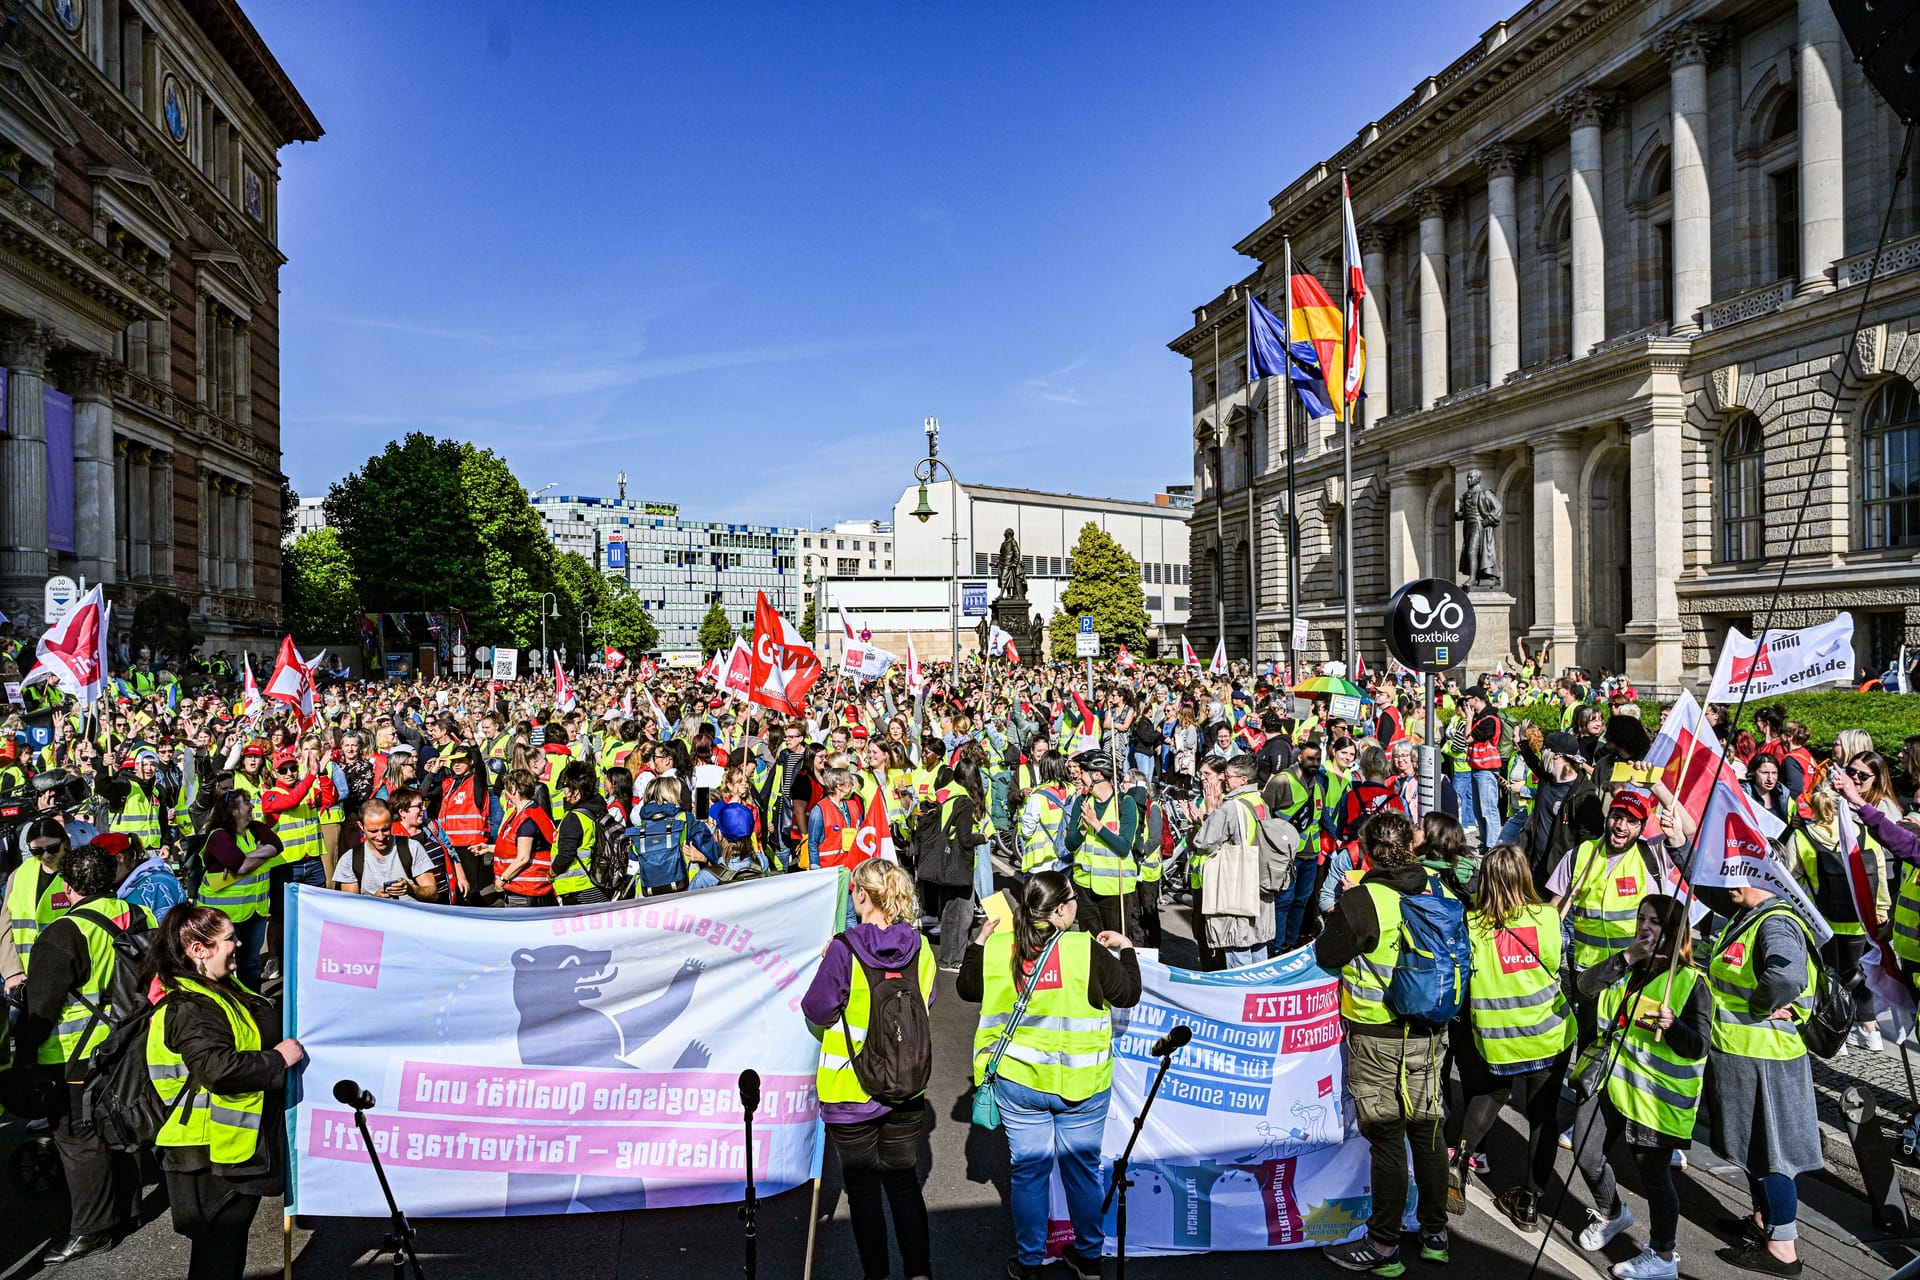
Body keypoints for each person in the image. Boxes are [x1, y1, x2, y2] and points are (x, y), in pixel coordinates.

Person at [958, 871, 1140, 1280]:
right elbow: (1127, 993)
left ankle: (1030, 1262)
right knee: (1081, 1170)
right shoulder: (1085, 950)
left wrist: (979, 942)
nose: (1077, 904)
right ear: (1060, 910)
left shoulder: (1002, 946)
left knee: (1028, 1172)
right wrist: (1126, 950)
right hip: (1081, 1086)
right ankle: (1089, 1258)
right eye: (1073, 898)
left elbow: (968, 988)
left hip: (1019, 1083)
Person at [1314, 810, 1453, 1273]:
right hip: (1432, 1032)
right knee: (1429, 1131)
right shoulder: (1438, 888)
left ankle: (1383, 1246)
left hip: (1377, 1035)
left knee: (1389, 1140)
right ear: (1411, 846)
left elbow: (1327, 952)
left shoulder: (1364, 899)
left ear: (1368, 850)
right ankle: (1435, 1234)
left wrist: (1341, 912)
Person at [14, 838, 158, 1265]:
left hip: (76, 1053)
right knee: (121, 1124)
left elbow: (41, 1006)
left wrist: (24, 1060)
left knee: (77, 1138)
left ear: (68, 886)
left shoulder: (65, 932)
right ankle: (128, 1210)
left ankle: (91, 1229)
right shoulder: (137, 914)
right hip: (129, 1040)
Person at [145, 903, 304, 1280]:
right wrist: (277, 1061)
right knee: (218, 1254)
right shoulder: (191, 1007)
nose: (239, 943)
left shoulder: (217, 988)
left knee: (224, 1252)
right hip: (209, 1156)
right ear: (199, 950)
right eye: (229, 938)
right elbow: (217, 1069)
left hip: (230, 1148)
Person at [801, 860, 935, 1280]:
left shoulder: (844, 949)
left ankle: (876, 1274)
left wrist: (829, 963)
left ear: (860, 894)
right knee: (903, 1183)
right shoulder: (921, 947)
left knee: (863, 1193)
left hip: (851, 1089)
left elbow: (817, 1010)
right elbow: (925, 1004)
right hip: (906, 1086)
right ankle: (920, 1273)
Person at [1568, 895, 1710, 1280]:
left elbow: (1699, 1046)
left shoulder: (1691, 982)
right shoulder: (1627, 964)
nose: (1645, 927)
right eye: (1641, 918)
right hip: (1610, 1082)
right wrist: (1626, 958)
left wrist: (1674, 1027)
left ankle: (1663, 1257)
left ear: (1675, 931)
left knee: (1655, 1180)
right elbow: (1582, 987)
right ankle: (1613, 1213)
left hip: (1655, 1101)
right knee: (1585, 1151)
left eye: (1655, 922)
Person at [1455, 843, 1574, 1233]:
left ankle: (1459, 1162)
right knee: (1543, 1117)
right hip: (1548, 1035)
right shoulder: (1548, 918)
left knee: (1489, 1096)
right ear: (1525, 876)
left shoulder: (1471, 926)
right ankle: (1529, 1202)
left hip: (1497, 1038)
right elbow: (1557, 966)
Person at [1706, 881, 1822, 1276]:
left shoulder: (1775, 922)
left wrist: (1760, 1004)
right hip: (1745, 1054)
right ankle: (1763, 1220)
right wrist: (1678, 843)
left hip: (1766, 1057)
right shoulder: (1747, 912)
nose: (1724, 883)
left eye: (1732, 872)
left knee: (1772, 1153)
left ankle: (1782, 1248)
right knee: (1755, 1148)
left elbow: (1787, 978)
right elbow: (1705, 889)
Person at [1187, 755, 1284, 968]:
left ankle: (1240, 995)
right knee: (1258, 945)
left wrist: (1206, 816)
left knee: (1238, 945)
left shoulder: (1231, 807)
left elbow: (1204, 841)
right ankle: (1259, 991)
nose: (1225, 781)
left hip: (1236, 881)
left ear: (1243, 780)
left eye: (1229, 777)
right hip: (1260, 877)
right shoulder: (1260, 802)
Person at [199, 791, 284, 990]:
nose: (252, 806)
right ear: (233, 811)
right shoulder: (219, 836)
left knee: (250, 964)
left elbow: (276, 846)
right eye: (246, 803)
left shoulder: (255, 828)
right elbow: (240, 866)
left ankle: (253, 1002)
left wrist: (249, 856)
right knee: (218, 965)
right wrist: (259, 854)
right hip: (222, 915)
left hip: (254, 911)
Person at [1062, 750, 1141, 938]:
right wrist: (1083, 828)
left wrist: (1096, 824)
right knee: (1090, 946)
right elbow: (1070, 844)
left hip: (1114, 890)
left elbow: (1123, 846)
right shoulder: (1081, 801)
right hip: (1084, 886)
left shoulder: (1125, 803)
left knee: (1113, 946)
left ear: (1097, 774)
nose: (1077, 776)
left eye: (1083, 772)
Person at [1, 816, 73, 990]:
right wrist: (12, 971)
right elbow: (5, 927)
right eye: (37, 851)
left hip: (69, 974)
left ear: (65, 843)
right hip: (26, 976)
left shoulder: (78, 872)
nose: (46, 855)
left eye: (53, 848)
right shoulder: (19, 875)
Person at [333, 798, 438, 899]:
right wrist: (375, 900)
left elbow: (432, 894)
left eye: (385, 829)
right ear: (361, 827)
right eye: (373, 831)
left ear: (392, 822)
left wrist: (411, 889)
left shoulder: (412, 848)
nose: (380, 837)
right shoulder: (349, 860)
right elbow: (350, 908)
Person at [492, 769, 557, 907]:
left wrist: (503, 878)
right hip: (526, 887)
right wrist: (488, 848)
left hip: (524, 888)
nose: (505, 792)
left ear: (514, 788)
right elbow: (515, 846)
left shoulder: (527, 820)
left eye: (507, 787)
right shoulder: (526, 814)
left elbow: (522, 857)